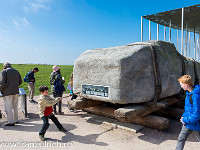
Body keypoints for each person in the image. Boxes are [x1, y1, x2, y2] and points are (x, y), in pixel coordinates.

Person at [175, 75, 200, 150]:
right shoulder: (189, 93)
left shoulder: (195, 96)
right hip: (189, 121)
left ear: (186, 85)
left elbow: (196, 115)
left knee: (181, 138)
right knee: (181, 138)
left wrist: (185, 120)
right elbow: (188, 109)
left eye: (181, 85)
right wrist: (183, 117)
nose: (181, 86)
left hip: (195, 122)